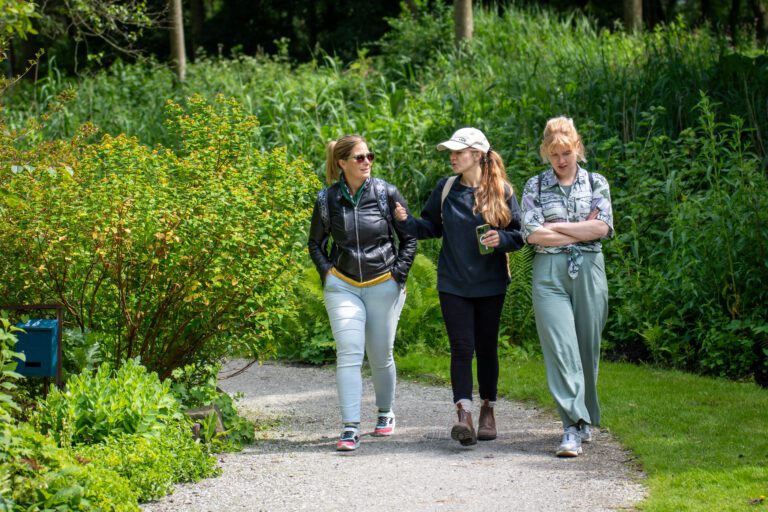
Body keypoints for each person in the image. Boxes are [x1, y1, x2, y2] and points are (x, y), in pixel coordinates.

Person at [393, 127, 524, 446]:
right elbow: (429, 228)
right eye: (450, 152)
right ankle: (463, 414)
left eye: (458, 152)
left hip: (491, 284)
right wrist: (403, 220)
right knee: (462, 348)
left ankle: (487, 409)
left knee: (487, 348)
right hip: (453, 283)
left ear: (477, 155)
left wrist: (500, 238)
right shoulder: (446, 188)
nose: (452, 157)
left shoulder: (502, 191)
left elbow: (520, 235)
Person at [308, 134, 416, 452]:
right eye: (359, 157)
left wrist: (399, 274)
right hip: (343, 285)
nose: (367, 161)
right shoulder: (327, 199)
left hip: (384, 282)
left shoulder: (386, 193)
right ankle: (350, 427)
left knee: (380, 356)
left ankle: (385, 413)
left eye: (370, 156)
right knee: (349, 353)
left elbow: (409, 236)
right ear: (342, 163)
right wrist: (327, 273)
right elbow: (315, 243)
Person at [520, 116, 614, 457]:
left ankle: (586, 416)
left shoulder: (596, 182)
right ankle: (571, 426)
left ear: (577, 148)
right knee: (561, 350)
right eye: (554, 154)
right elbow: (530, 232)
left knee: (587, 350)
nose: (561, 160)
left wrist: (557, 228)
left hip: (589, 271)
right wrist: (580, 227)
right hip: (549, 274)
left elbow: (602, 228)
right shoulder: (535, 186)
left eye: (567, 152)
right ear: (546, 152)